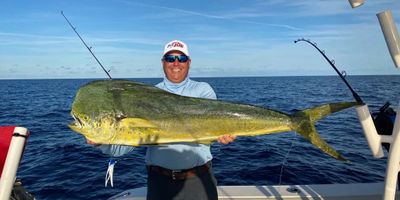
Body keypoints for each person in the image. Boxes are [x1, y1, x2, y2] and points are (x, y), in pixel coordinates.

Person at [93, 40, 236, 200]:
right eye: (170, 58)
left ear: (188, 62)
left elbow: (213, 129)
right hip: (159, 183)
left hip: (198, 180)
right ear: (163, 62)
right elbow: (121, 149)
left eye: (181, 59)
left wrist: (222, 135)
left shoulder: (203, 90)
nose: (176, 63)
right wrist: (101, 141)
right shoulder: (147, 98)